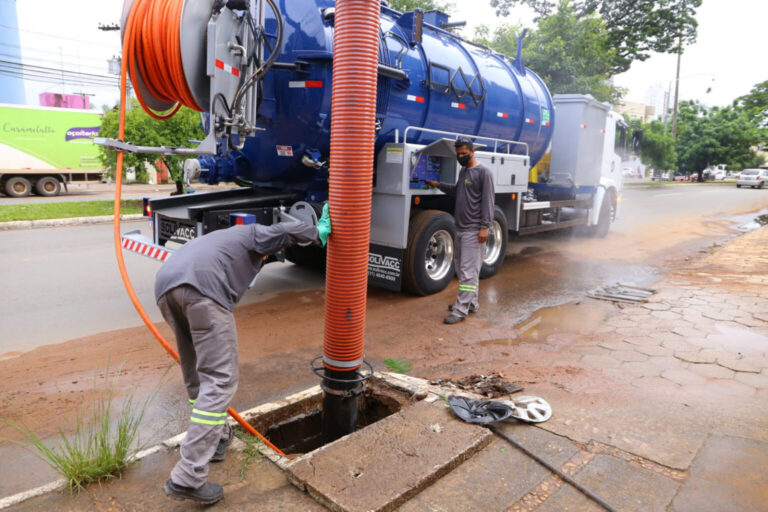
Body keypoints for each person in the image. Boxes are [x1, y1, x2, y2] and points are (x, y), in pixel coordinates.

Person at [156, 205, 331, 504]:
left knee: (197, 374)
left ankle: (218, 438)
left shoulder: (226, 237)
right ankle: (188, 475)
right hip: (204, 291)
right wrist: (317, 233)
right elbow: (284, 232)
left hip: (166, 287)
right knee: (220, 380)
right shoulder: (253, 233)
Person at [425, 137, 494, 325]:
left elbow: (488, 202)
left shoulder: (484, 172)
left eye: (464, 153)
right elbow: (457, 191)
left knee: (467, 271)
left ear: (473, 152)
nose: (461, 156)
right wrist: (437, 184)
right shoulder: (464, 171)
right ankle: (470, 303)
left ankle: (460, 310)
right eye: (458, 154)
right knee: (464, 268)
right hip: (460, 228)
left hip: (474, 230)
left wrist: (484, 227)